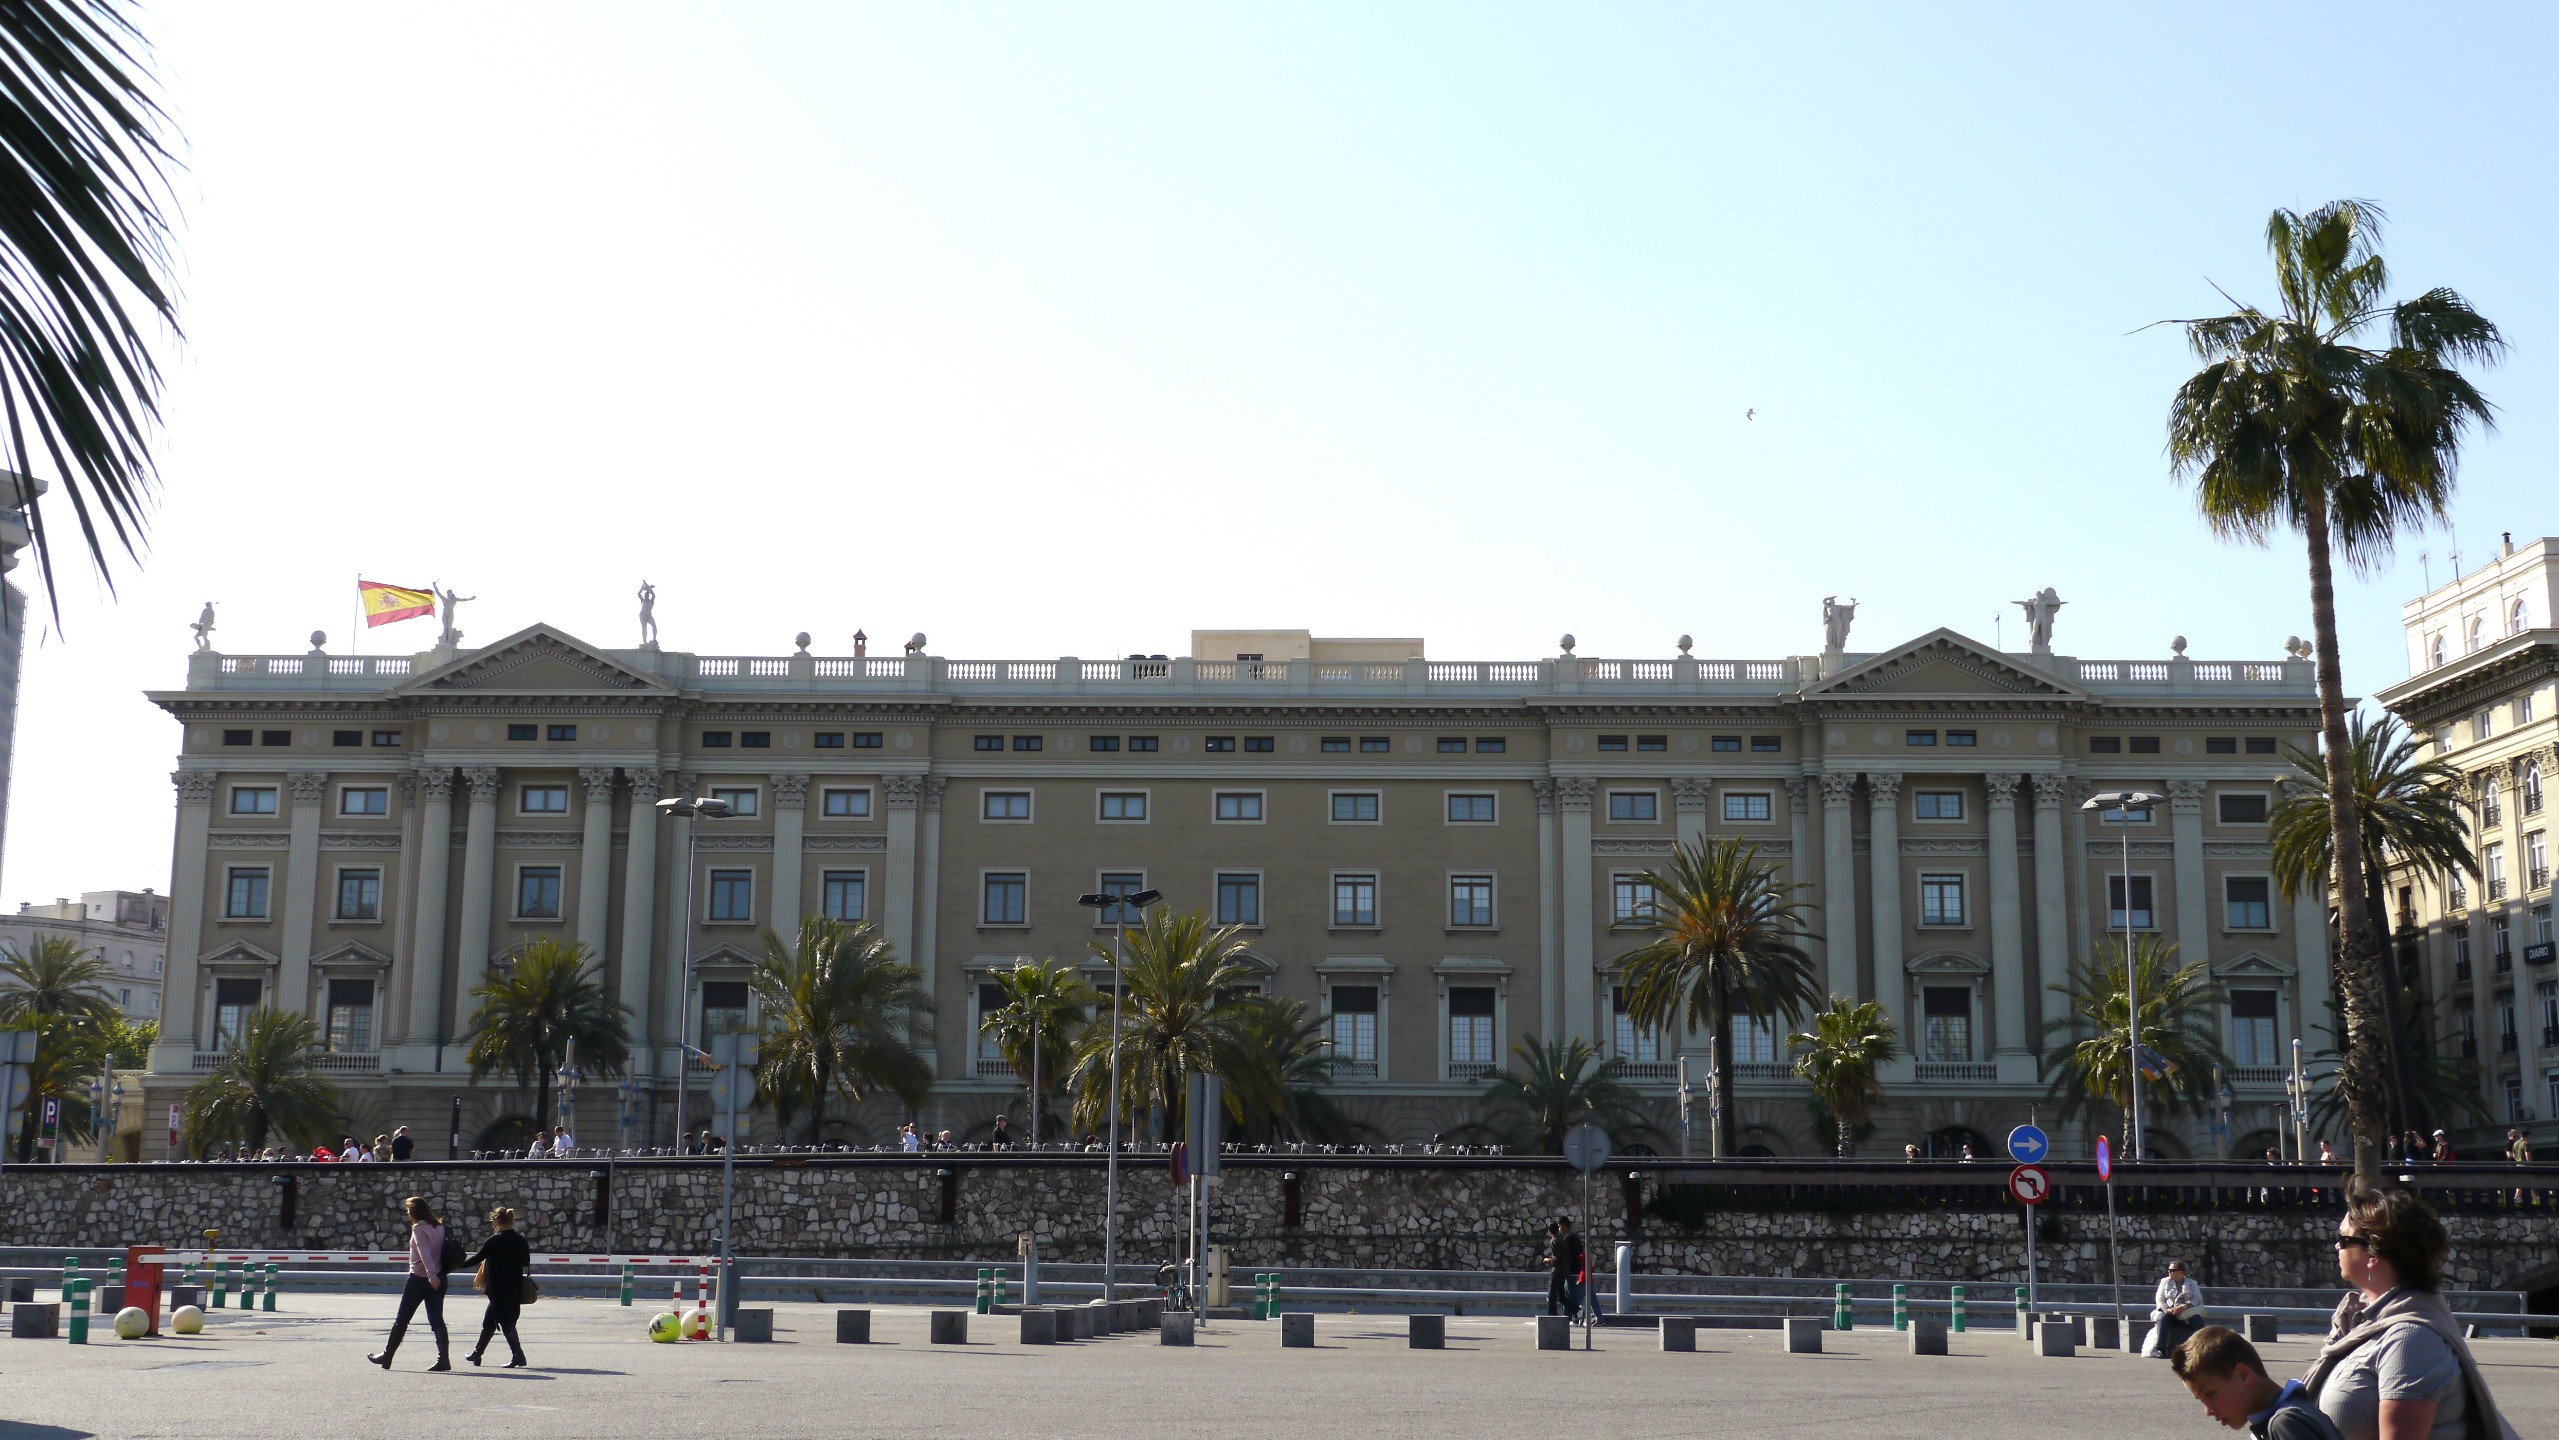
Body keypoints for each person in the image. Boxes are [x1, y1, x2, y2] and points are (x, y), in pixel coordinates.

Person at [2301, 1188, 2517, 1440]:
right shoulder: (2364, 1320)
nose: (2337, 1245)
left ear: (2373, 1255)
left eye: (2344, 1238)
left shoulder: (2411, 1339)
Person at [2171, 1325, 2346, 1440]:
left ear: (2243, 1375)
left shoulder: (2285, 1423)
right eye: (2201, 1400)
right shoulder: (2297, 1411)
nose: (2208, 1411)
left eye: (2210, 1394)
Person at [370, 1195, 453, 1371]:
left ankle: (387, 1356)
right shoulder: (439, 1227)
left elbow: (424, 1254)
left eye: (409, 1210)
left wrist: (431, 1276)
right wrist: (436, 1276)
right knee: (437, 1319)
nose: (407, 1213)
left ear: (414, 1212)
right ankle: (444, 1359)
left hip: (420, 1279)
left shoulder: (419, 1229)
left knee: (402, 1320)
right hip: (440, 1277)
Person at [460, 1206, 532, 1368]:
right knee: (490, 1321)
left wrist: (456, 1265)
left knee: (505, 1321)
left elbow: (478, 1258)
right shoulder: (520, 1240)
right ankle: (477, 1353)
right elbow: (525, 1261)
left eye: (493, 1220)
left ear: (499, 1220)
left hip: (498, 1288)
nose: (492, 1223)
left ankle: (518, 1355)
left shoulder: (494, 1240)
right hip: (514, 1286)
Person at [2144, 1259, 2206, 1357]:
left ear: (2182, 1272)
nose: (2170, 1272)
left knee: (2197, 1320)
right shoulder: (2164, 1282)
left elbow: (2198, 1299)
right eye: (2169, 1270)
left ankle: (2204, 1347)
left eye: (2173, 1270)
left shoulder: (2192, 1283)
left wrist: (2185, 1306)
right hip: (2170, 1312)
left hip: (2186, 1313)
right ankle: (2161, 1349)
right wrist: (2167, 1310)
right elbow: (2159, 1300)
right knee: (2163, 1319)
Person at [1552, 1217, 1585, 1321]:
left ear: (1565, 1225)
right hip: (1576, 1270)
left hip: (1570, 1271)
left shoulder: (1567, 1239)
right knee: (1567, 1294)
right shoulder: (1575, 1237)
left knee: (1567, 1295)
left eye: (1560, 1226)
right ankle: (1570, 1316)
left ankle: (1573, 1316)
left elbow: (1566, 1256)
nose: (1559, 1229)